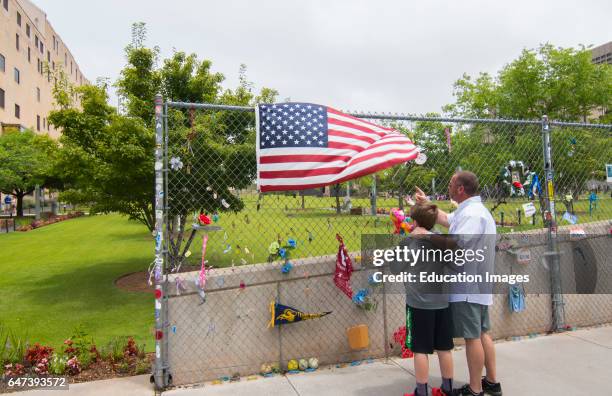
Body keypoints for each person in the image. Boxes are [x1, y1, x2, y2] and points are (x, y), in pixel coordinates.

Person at [415, 171, 502, 396]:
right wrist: (427, 204)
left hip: (467, 288)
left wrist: (425, 236)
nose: (449, 185)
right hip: (477, 286)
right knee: (483, 332)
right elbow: (447, 219)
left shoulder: (472, 215)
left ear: (461, 189)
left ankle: (475, 390)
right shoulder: (471, 211)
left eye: (452, 183)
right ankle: (491, 383)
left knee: (472, 337)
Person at [392, 203, 454, 396]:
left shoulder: (409, 242)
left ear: (415, 222)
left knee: (420, 349)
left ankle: (422, 391)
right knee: (444, 347)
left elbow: (395, 268)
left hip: (418, 304)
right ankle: (448, 389)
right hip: (443, 302)